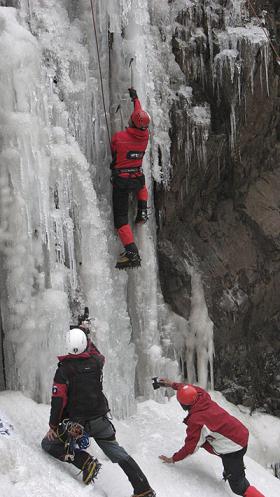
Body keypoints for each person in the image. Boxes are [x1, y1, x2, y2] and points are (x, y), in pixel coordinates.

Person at [41, 328, 155, 497]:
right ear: (85, 344)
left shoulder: (63, 370)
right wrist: (87, 335)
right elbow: (96, 352)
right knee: (119, 454)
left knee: (49, 443)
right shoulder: (96, 362)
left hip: (77, 425)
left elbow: (58, 401)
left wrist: (53, 426)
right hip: (101, 421)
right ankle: (143, 490)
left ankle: (84, 462)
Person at [158, 379, 265, 497]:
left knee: (238, 487)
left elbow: (190, 447)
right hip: (240, 433)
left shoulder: (197, 421)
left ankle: (236, 474)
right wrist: (172, 384)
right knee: (207, 442)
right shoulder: (201, 395)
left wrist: (173, 458)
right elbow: (188, 388)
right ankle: (232, 470)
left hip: (234, 448)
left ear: (183, 405)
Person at [111, 88, 150, 270]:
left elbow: (114, 150)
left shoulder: (119, 138)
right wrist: (136, 98)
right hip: (136, 177)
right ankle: (142, 210)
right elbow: (139, 114)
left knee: (121, 219)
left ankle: (132, 254)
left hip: (122, 181)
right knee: (142, 182)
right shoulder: (145, 135)